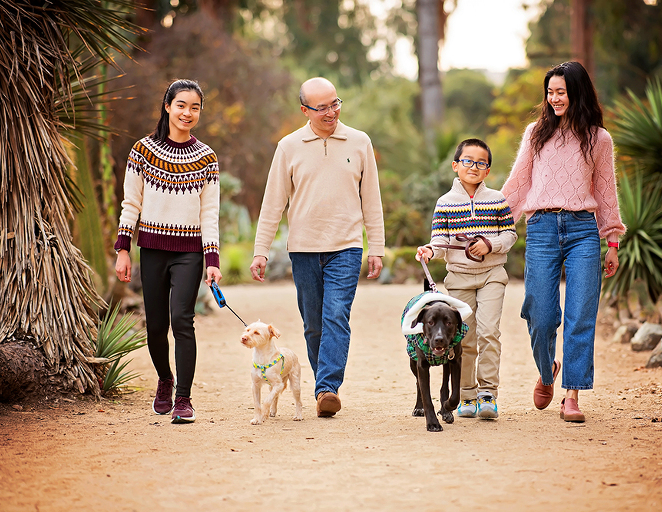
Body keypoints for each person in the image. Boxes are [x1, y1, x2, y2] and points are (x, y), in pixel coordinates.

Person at [249, 77, 385, 418]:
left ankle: (327, 388)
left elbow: (372, 199)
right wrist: (261, 250)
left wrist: (377, 247)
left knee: (336, 314)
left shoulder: (359, 142)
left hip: (347, 246)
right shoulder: (289, 146)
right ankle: (324, 382)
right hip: (304, 249)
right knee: (313, 324)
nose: (330, 113)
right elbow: (272, 203)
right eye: (321, 107)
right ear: (304, 110)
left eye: (335, 104)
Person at [501, 61, 626, 423]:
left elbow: (606, 193)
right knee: (540, 315)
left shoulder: (599, 139)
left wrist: (612, 241)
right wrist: (489, 223)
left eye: (561, 91)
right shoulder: (535, 133)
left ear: (577, 92)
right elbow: (518, 184)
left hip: (583, 232)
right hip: (540, 228)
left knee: (580, 317)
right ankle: (546, 370)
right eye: (550, 92)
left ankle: (571, 395)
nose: (554, 98)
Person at [114, 79, 222, 424]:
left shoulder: (207, 157)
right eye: (181, 105)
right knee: (156, 326)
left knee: (182, 321)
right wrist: (123, 249)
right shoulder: (142, 150)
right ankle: (164, 378)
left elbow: (209, 213)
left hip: (189, 252)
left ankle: (184, 398)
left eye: (195, 107)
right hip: (153, 249)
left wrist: (212, 260)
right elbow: (132, 202)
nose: (187, 113)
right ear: (167, 106)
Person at [415, 138, 517, 420]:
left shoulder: (497, 199)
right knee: (465, 337)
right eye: (468, 161)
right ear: (456, 166)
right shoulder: (445, 203)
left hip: (492, 275)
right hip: (459, 278)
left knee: (489, 332)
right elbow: (440, 240)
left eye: (481, 163)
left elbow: (510, 235)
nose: (474, 166)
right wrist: (430, 250)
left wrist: (489, 244)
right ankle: (467, 395)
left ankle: (488, 394)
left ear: (488, 170)